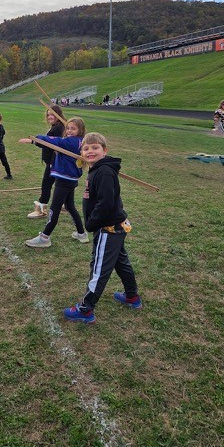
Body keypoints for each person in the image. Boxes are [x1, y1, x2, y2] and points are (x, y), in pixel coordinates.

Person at [63, 132, 141, 324]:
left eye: (95, 147)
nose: (90, 151)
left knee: (99, 268)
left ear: (104, 151)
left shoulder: (104, 171)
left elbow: (105, 203)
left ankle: (85, 308)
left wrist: (91, 222)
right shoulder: (96, 169)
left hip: (108, 228)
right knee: (120, 262)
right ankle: (132, 296)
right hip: (112, 226)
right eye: (86, 148)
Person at [19, 117, 88, 248]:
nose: (69, 131)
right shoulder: (80, 141)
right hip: (70, 179)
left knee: (54, 209)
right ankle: (81, 233)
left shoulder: (70, 142)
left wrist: (36, 138)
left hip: (64, 179)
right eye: (67, 128)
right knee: (70, 206)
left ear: (80, 130)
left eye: (73, 128)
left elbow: (53, 140)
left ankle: (45, 237)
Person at [26, 104, 65, 219]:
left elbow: (51, 144)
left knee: (46, 184)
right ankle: (65, 203)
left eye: (52, 114)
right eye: (48, 114)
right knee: (60, 183)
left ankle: (41, 210)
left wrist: (34, 141)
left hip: (54, 162)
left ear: (58, 114)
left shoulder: (59, 127)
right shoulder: (57, 126)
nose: (49, 116)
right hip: (54, 161)